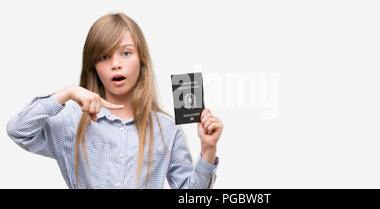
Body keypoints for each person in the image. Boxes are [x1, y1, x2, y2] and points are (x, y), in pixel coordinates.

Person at [6, 12, 223, 189]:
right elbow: (18, 130)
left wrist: (207, 149)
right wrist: (69, 92)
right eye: (104, 56)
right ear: (94, 66)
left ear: (142, 60)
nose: (116, 64)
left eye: (126, 53)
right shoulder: (72, 121)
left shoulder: (166, 129)